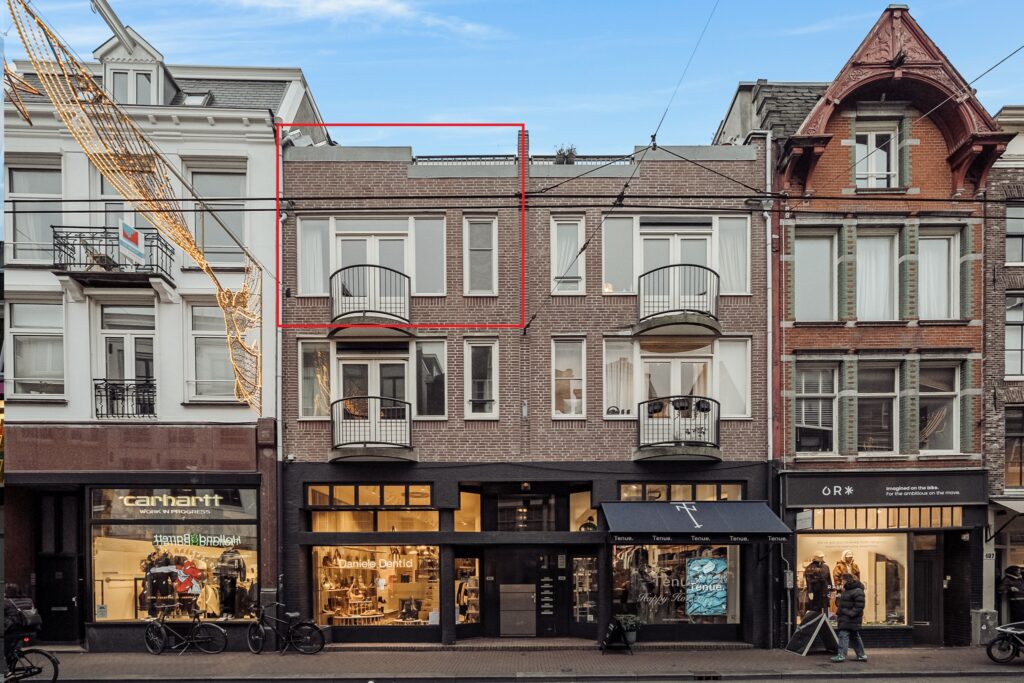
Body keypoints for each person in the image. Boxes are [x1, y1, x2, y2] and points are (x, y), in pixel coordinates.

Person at [831, 573, 867, 663]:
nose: (842, 582)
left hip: (849, 618)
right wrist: (838, 613)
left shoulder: (857, 591)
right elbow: (843, 604)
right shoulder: (847, 590)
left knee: (843, 635)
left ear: (847, 580)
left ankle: (841, 655)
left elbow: (859, 606)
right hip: (846, 617)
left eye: (843, 580)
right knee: (854, 636)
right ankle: (861, 655)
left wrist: (849, 613)